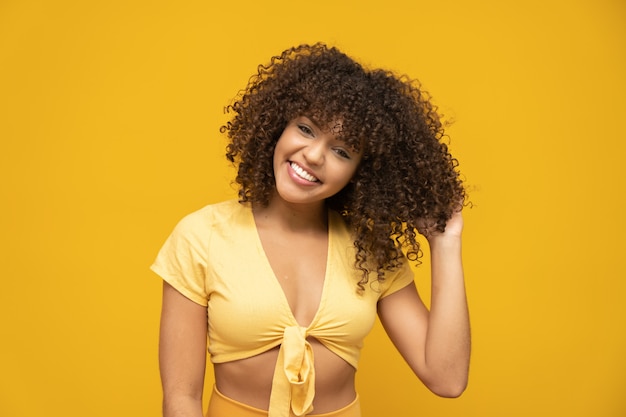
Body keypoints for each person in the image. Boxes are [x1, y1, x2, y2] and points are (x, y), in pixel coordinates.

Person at [151, 42, 470, 417]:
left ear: (361, 173)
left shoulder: (371, 251)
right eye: (306, 128)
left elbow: (447, 378)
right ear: (277, 126)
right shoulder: (200, 237)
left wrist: (445, 243)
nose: (315, 155)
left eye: (342, 151)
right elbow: (181, 398)